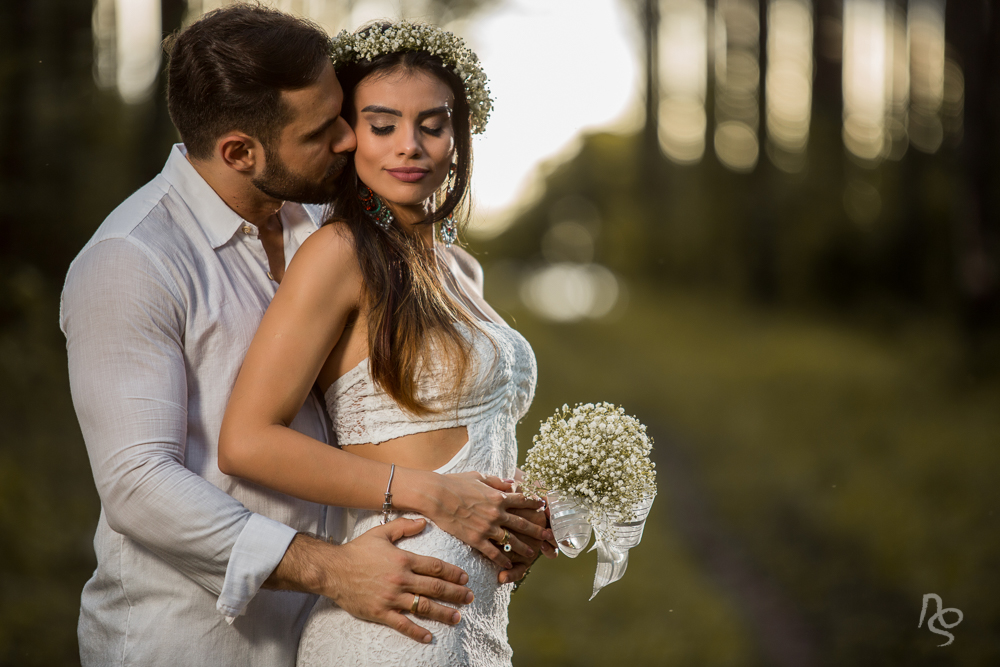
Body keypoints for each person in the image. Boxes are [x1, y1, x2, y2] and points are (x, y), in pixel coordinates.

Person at [60, 6, 543, 666]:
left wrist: (494, 515)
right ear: (240, 152)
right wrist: (332, 568)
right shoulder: (133, 259)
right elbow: (138, 484)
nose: (348, 139)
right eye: (324, 129)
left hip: (347, 607)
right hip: (194, 637)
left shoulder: (320, 217)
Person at [218, 20, 547, 666]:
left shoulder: (460, 268)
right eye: (382, 124)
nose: (410, 146)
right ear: (350, 136)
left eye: (432, 124)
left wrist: (516, 516)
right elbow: (246, 440)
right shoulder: (338, 254)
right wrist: (431, 492)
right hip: (393, 618)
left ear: (459, 136)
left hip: (474, 620)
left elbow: (469, 438)